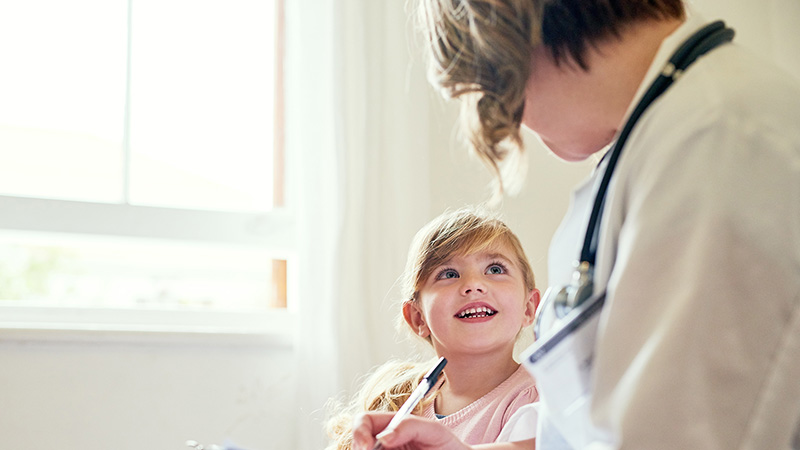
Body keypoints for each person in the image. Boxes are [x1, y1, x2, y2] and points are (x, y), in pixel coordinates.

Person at [353, 0, 800, 449]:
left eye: (490, 89)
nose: (509, 120)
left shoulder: (723, 144)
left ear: (512, 40)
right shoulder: (662, 139)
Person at [326, 206, 540, 449]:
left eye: (495, 269)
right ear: (418, 318)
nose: (473, 284)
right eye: (448, 274)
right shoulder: (397, 397)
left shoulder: (536, 398)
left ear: (529, 308)